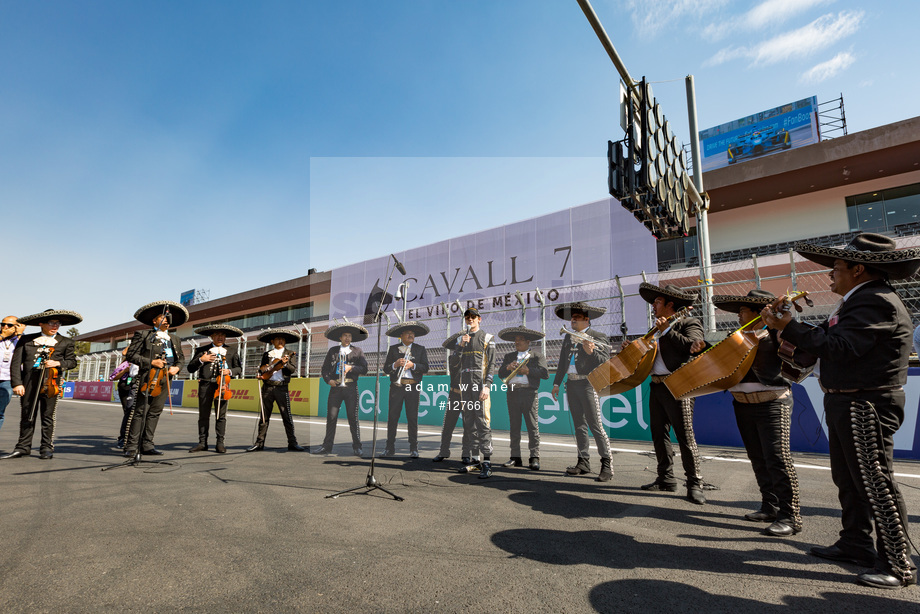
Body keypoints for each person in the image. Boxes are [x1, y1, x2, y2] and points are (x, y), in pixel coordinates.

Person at [761, 233, 918, 589]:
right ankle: (855, 543)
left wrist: (789, 326)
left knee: (875, 482)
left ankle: (897, 563)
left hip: (866, 404)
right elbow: (825, 342)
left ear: (858, 269)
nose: (831, 275)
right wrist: (785, 328)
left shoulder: (875, 301)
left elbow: (841, 347)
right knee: (849, 480)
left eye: (837, 268)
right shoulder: (861, 299)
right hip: (849, 401)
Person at [703, 290, 801, 537]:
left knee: (777, 459)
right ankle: (770, 506)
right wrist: (703, 348)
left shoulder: (779, 332)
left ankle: (791, 516)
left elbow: (798, 354)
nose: (739, 315)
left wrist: (779, 323)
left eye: (743, 311)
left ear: (759, 312)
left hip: (772, 403)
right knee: (757, 457)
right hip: (742, 403)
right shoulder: (734, 337)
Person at [633, 283, 707, 504]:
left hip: (679, 385)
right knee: (659, 434)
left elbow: (693, 346)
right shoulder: (655, 329)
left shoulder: (689, 322)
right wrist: (634, 348)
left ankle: (695, 483)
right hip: (656, 385)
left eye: (657, 302)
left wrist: (666, 330)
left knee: (685, 436)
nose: (653, 306)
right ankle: (665, 478)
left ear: (670, 304)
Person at [2, 309, 81, 460]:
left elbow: (72, 362)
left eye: (58, 323)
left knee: (47, 416)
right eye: (51, 323)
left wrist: (57, 363)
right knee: (27, 414)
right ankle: (23, 447)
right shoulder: (26, 340)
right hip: (28, 383)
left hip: (51, 384)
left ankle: (46, 447)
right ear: (41, 324)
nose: (55, 326)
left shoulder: (66, 342)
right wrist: (17, 383)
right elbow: (16, 363)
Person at [552, 301, 612, 482]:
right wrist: (556, 383)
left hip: (588, 384)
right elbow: (563, 362)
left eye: (577, 318)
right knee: (579, 424)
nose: (573, 321)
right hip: (571, 384)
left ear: (587, 320)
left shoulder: (597, 336)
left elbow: (605, 361)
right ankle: (583, 462)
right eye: (572, 318)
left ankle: (607, 464)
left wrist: (591, 351)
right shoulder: (568, 337)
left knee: (595, 424)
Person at [124, 300, 188, 458]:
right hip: (147, 377)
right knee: (140, 411)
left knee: (155, 412)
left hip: (165, 379)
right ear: (154, 321)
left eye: (168, 317)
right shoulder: (144, 334)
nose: (166, 319)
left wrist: (177, 368)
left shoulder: (175, 339)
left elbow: (181, 359)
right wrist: (151, 362)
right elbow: (131, 355)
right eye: (162, 317)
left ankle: (147, 444)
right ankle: (131, 446)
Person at [444, 308, 495, 478]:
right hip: (465, 385)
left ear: (479, 319)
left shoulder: (487, 338)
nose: (470, 320)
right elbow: (454, 364)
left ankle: (486, 462)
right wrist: (460, 346)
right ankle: (475, 460)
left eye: (473, 317)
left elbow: (492, 365)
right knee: (469, 421)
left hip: (480, 385)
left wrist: (487, 385)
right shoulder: (461, 339)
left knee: (482, 421)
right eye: (467, 317)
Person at [496, 326, 549, 470]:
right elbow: (500, 373)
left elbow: (545, 373)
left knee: (532, 427)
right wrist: (508, 367)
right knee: (514, 427)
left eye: (520, 340)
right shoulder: (509, 356)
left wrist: (528, 371)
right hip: (512, 392)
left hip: (529, 393)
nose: (517, 342)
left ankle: (534, 457)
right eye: (515, 340)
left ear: (528, 341)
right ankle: (515, 457)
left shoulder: (537, 356)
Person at [247, 328, 307, 452]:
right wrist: (260, 374)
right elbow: (262, 369)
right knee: (264, 417)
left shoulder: (290, 353)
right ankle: (259, 443)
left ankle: (292, 442)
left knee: (287, 416)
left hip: (282, 387)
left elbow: (291, 370)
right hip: (267, 387)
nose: (280, 341)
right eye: (277, 339)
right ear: (272, 341)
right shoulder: (267, 354)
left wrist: (284, 363)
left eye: (282, 339)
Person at [187, 324, 244, 454]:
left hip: (223, 386)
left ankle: (220, 443)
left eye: (223, 335)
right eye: (217, 335)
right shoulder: (202, 350)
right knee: (203, 415)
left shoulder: (232, 350)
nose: (220, 337)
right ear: (212, 336)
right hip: (205, 385)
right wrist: (201, 359)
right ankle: (202, 443)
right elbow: (190, 368)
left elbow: (239, 369)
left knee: (221, 415)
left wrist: (229, 371)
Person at [314, 322, 368, 456]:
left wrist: (351, 368)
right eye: (345, 335)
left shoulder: (358, 351)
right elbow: (325, 369)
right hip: (336, 388)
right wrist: (328, 380)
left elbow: (365, 369)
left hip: (350, 387)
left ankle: (357, 446)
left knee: (352, 417)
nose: (347, 338)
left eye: (349, 336)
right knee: (331, 417)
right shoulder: (333, 351)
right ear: (340, 338)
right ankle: (327, 446)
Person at [380, 321, 430, 458]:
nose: (411, 335)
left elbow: (426, 367)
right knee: (393, 417)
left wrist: (413, 365)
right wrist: (395, 365)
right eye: (408, 333)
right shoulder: (393, 349)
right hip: (397, 386)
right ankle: (389, 447)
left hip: (413, 386)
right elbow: (385, 369)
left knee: (412, 418)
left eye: (412, 333)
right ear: (401, 335)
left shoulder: (420, 349)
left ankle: (414, 448)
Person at [432, 332, 472, 465]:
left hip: (468, 395)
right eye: (459, 342)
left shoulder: (473, 357)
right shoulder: (453, 357)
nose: (462, 344)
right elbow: (455, 362)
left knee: (468, 425)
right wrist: (460, 347)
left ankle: (466, 453)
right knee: (448, 424)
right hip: (455, 394)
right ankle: (444, 451)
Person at [0, 316, 26, 436]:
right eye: (3, 324)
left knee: (0, 411)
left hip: (7, 380)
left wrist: (20, 335)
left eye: (9, 325)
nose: (5, 327)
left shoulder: (23, 340)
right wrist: (2, 336)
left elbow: (27, 353)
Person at [109, 345, 139, 448]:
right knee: (128, 412)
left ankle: (134, 437)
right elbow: (113, 377)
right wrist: (125, 371)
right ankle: (122, 438)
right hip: (125, 387)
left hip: (137, 386)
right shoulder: (125, 363)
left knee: (136, 413)